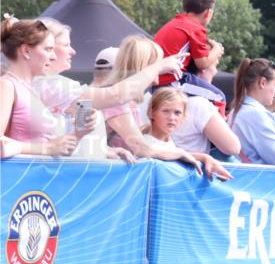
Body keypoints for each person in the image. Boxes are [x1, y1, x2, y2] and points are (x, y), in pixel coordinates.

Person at [35, 18, 181, 162]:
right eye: (66, 45)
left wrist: (103, 149)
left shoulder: (73, 90)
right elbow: (115, 97)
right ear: (48, 48)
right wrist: (159, 67)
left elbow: (79, 137)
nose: (73, 51)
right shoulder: (53, 86)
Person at [102, 37, 231, 180]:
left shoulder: (127, 101)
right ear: (143, 67)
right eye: (157, 66)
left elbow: (155, 152)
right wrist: (188, 155)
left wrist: (202, 157)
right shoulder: (116, 102)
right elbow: (144, 150)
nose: (162, 72)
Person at [1, 16, 83, 158]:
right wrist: (47, 148)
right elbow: (46, 148)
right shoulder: (6, 86)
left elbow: (56, 150)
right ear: (26, 50)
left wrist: (80, 132)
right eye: (48, 49)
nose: (53, 57)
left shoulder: (30, 90)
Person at [152, 0, 227, 111]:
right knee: (219, 97)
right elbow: (202, 63)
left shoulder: (176, 23)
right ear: (208, 13)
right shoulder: (195, 28)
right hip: (171, 80)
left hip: (156, 78)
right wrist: (216, 50)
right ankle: (218, 129)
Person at [142, 88, 232, 178]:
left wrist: (205, 158)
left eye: (177, 113)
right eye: (165, 111)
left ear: (183, 117)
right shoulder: (145, 141)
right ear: (152, 112)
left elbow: (172, 154)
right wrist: (182, 154)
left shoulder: (167, 141)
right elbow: (159, 154)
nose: (171, 117)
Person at [172, 53, 241, 159]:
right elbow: (233, 148)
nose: (216, 71)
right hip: (192, 169)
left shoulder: (156, 96)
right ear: (204, 67)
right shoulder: (199, 104)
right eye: (215, 65)